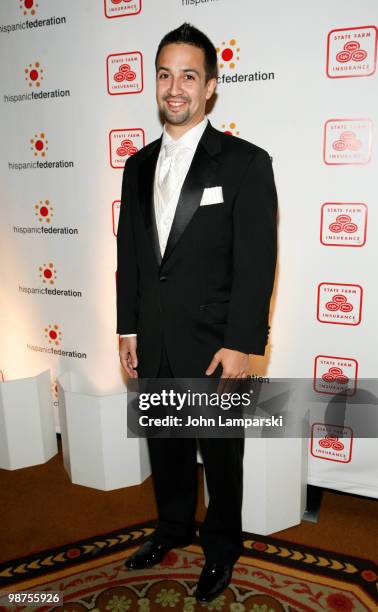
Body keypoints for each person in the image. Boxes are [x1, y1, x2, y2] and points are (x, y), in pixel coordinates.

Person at [116, 22, 277, 603]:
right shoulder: (136, 166)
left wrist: (243, 342)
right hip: (153, 337)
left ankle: (221, 549)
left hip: (216, 343)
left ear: (211, 86)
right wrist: (127, 327)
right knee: (167, 446)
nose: (175, 87)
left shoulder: (245, 163)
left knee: (221, 454)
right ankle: (172, 528)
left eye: (189, 75)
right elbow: (131, 256)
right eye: (165, 74)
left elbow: (259, 262)